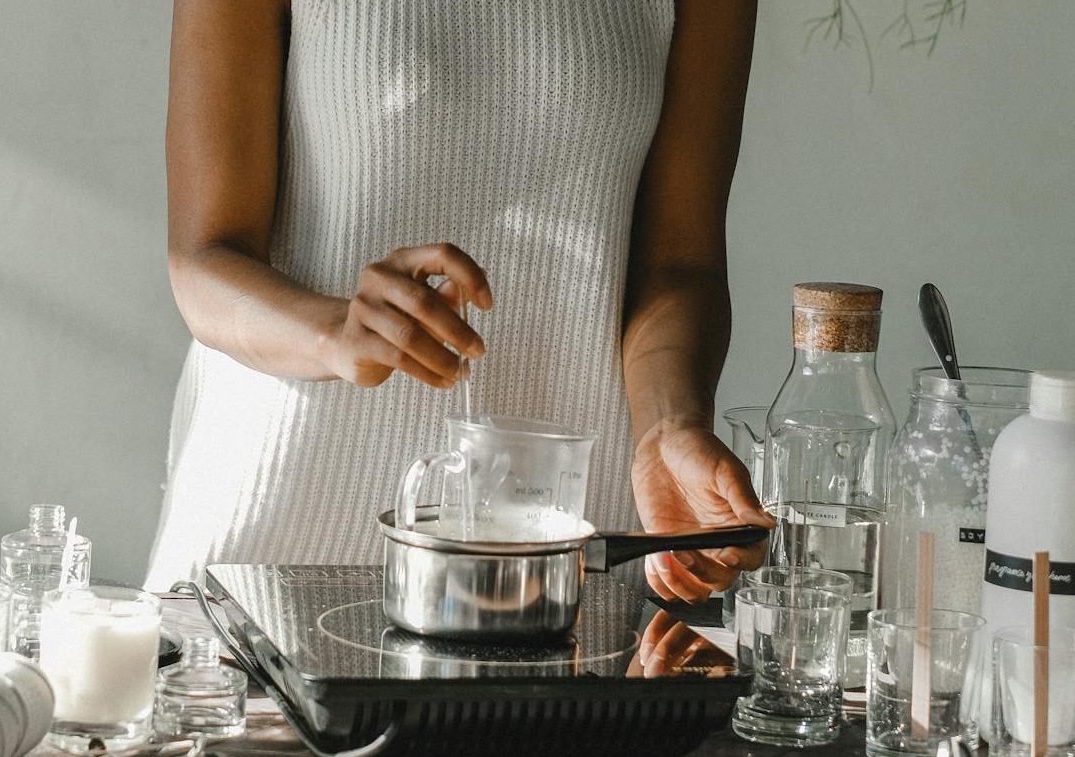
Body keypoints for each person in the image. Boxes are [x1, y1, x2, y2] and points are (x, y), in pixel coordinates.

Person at [146, 0, 771, 602]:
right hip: (268, 554)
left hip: (560, 564)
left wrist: (669, 425)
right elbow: (203, 259)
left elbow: (678, 263)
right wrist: (334, 332)